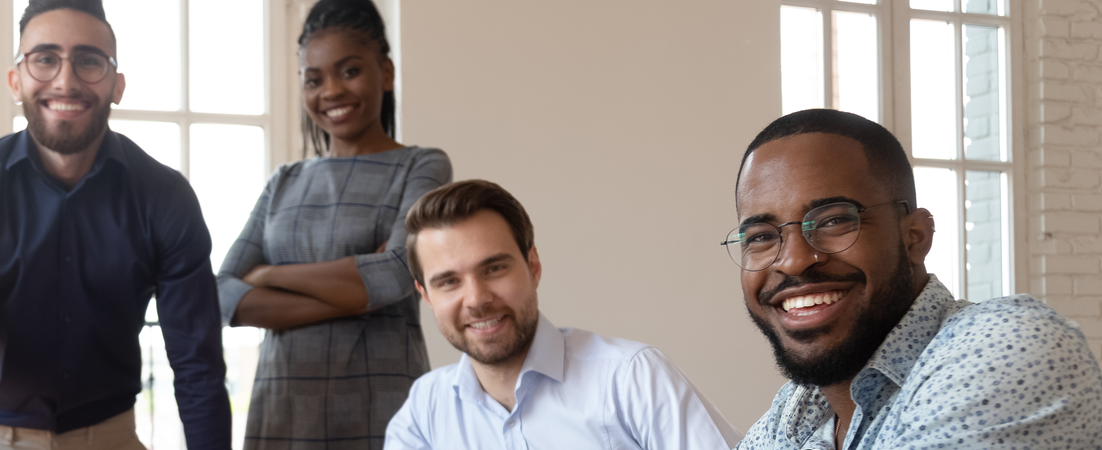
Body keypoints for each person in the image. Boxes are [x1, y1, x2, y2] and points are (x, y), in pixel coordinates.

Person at [0, 0, 230, 449]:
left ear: (117, 85)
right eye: (45, 59)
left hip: (111, 436)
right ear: (15, 81)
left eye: (88, 61)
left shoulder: (165, 197)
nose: (66, 80)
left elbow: (199, 369)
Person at [729, 109, 1102, 449]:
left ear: (915, 237)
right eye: (761, 236)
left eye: (833, 220)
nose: (793, 261)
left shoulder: (1005, 347)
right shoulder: (797, 411)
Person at [215, 1, 448, 448]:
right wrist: (356, 294)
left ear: (387, 73)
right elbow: (224, 292)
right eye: (314, 79)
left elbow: (396, 274)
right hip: (282, 405)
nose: (331, 91)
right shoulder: (283, 181)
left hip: (382, 405)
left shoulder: (422, 165)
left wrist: (267, 276)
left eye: (349, 71)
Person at [383, 180, 741, 449]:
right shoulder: (423, 411)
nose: (476, 299)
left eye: (494, 269)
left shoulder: (631, 378)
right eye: (449, 282)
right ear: (425, 296)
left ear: (533, 266)